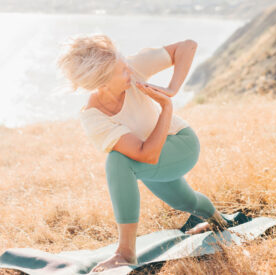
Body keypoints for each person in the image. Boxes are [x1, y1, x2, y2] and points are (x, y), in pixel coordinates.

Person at [56, 33, 232, 273]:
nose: (129, 71)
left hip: (180, 142)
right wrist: (166, 108)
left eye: (126, 66)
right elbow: (146, 155)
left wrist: (170, 94)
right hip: (150, 157)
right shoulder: (93, 117)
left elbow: (187, 46)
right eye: (123, 72)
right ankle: (220, 221)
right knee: (185, 201)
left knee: (117, 161)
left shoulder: (132, 67)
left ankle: (125, 252)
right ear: (103, 83)